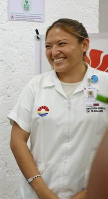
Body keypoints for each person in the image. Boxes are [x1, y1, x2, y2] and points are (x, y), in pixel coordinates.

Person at [9, 18, 108, 199]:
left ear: (84, 45)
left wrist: (86, 193)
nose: (54, 52)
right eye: (48, 46)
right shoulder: (36, 86)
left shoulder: (104, 86)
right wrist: (43, 191)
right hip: (37, 193)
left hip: (92, 192)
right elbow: (17, 141)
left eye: (62, 44)